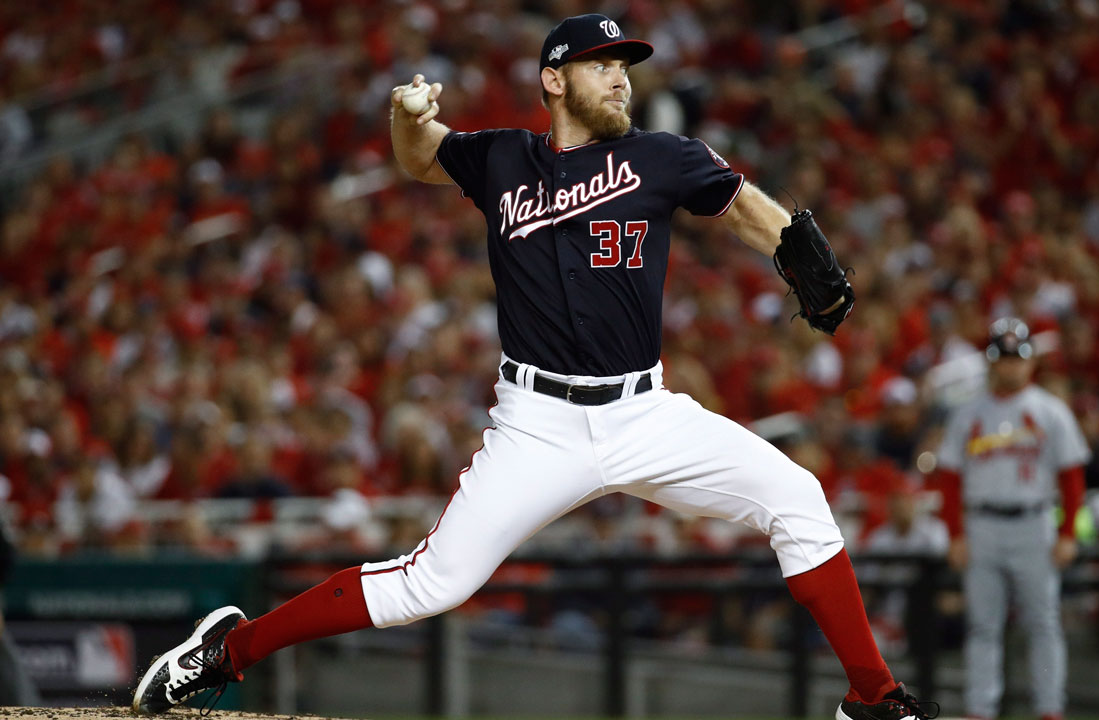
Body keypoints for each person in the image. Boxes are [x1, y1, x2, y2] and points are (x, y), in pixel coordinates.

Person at [132, 14, 935, 720]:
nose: (620, 77)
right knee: (430, 586)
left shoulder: (661, 156)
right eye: (601, 64)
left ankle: (873, 699)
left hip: (643, 413)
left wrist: (791, 248)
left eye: (626, 66)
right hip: (538, 423)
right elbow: (419, 159)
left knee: (797, 498)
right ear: (555, 78)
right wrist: (407, 118)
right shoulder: (502, 160)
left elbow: (742, 203)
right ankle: (229, 651)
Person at [935, 318, 1090, 720]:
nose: (1009, 366)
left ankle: (1049, 710)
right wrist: (955, 533)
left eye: (1015, 358)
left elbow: (1072, 477)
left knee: (1043, 624)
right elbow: (949, 480)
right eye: (1002, 358)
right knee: (983, 627)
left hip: (1034, 522)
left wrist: (1068, 530)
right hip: (982, 525)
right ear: (991, 363)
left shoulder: (1049, 411)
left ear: (1030, 361)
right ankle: (979, 711)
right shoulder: (968, 413)